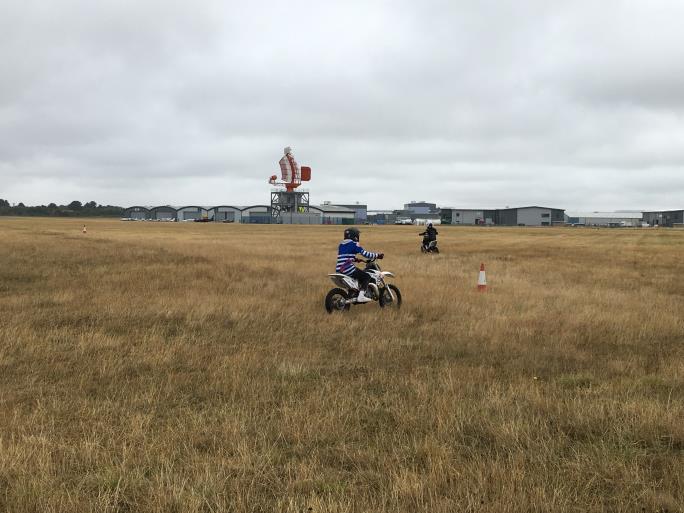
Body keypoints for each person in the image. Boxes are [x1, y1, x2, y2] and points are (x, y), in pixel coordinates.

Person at [336, 227, 383, 303]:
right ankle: (361, 297)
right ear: (354, 236)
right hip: (348, 269)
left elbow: (346, 256)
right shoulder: (354, 244)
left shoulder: (341, 244)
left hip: (339, 269)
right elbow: (365, 254)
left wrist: (356, 259)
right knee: (366, 276)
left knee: (359, 276)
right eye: (357, 235)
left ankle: (355, 293)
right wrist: (377, 255)